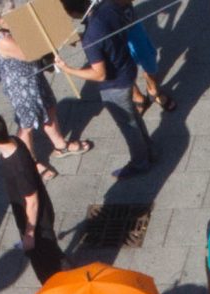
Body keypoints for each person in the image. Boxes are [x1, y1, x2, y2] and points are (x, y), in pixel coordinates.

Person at [0, 0, 91, 177]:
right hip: (22, 87)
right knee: (27, 126)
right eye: (11, 11)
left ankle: (60, 146)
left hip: (33, 77)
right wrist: (58, 35)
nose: (16, 12)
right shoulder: (2, 40)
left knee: (49, 108)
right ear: (0, 19)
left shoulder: (4, 24)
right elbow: (30, 52)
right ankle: (31, 163)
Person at [56, 0, 153, 178]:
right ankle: (148, 148)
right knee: (133, 117)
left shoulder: (91, 38)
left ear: (71, 12)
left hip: (114, 84)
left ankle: (140, 162)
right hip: (127, 67)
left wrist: (68, 69)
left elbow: (99, 74)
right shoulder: (108, 7)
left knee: (128, 125)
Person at [0, 113, 63, 282]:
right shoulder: (15, 141)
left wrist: (29, 234)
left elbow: (32, 202)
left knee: (46, 262)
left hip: (35, 219)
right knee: (50, 255)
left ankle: (57, 284)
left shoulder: (18, 167)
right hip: (32, 213)